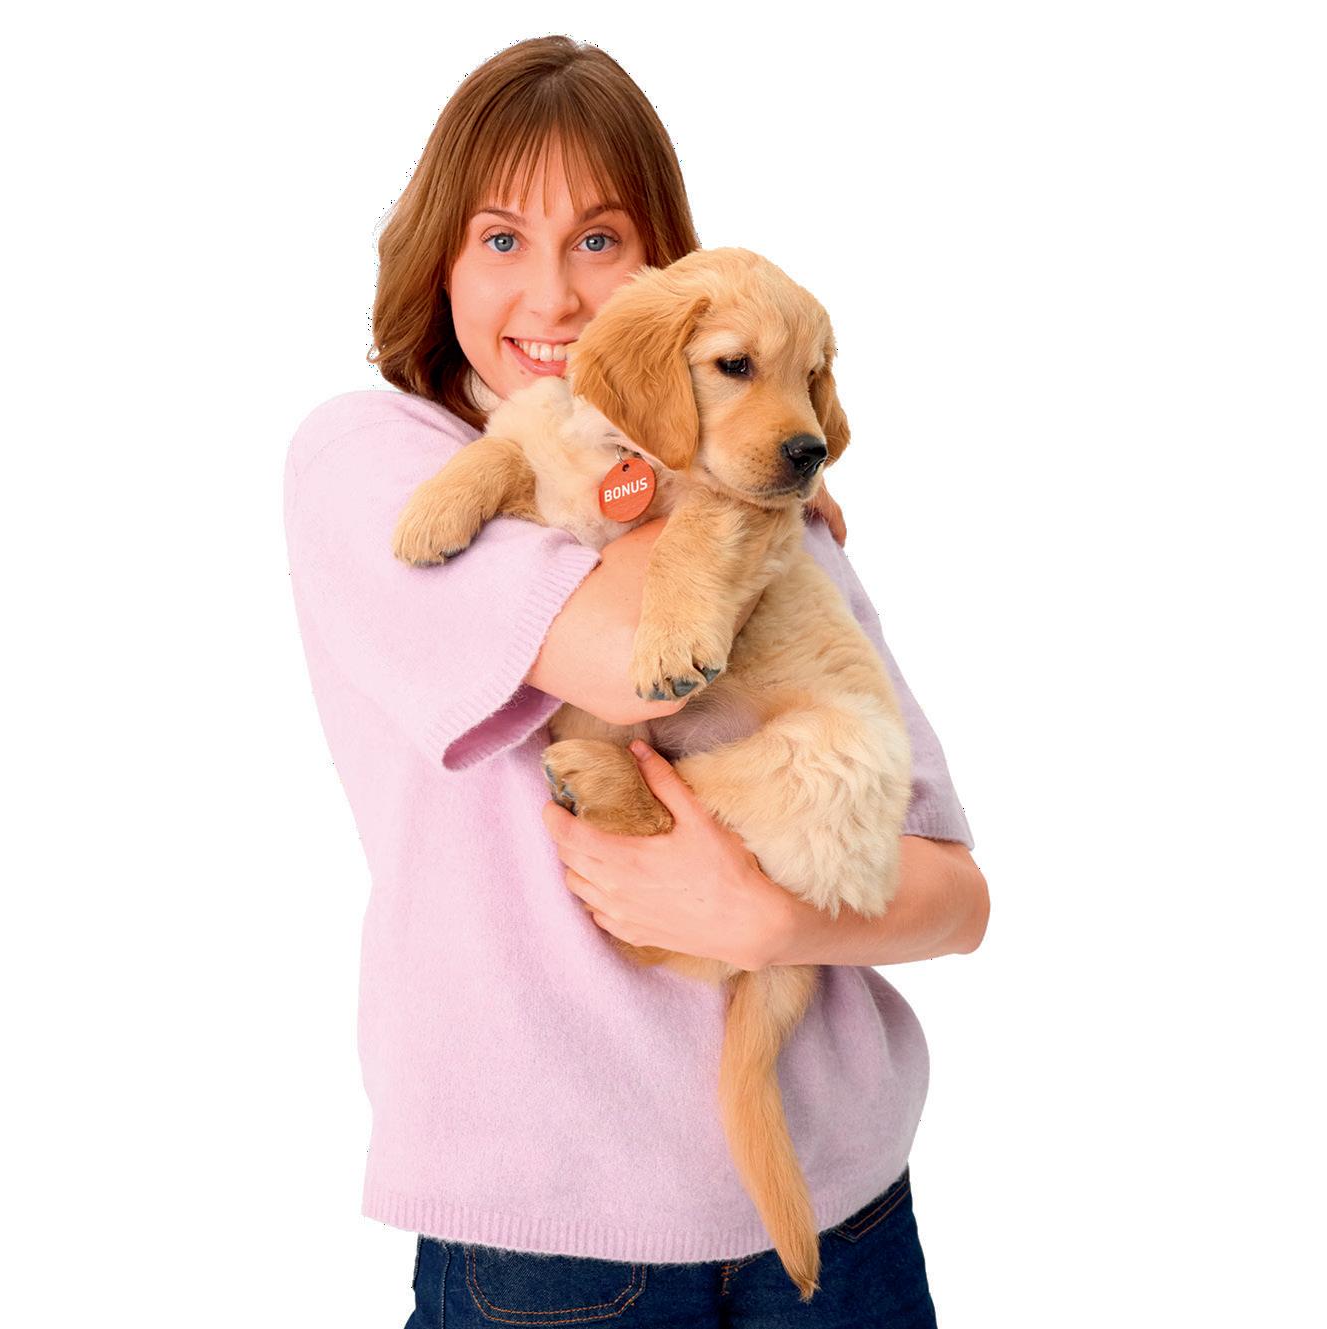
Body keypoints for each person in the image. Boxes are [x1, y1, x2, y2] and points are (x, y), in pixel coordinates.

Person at [282, 36, 986, 1328]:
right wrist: (742, 488)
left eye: (600, 240)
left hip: (839, 1201)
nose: (554, 296)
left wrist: (770, 921)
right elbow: (637, 661)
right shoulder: (368, 461)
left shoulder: (767, 477)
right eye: (501, 239)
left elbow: (953, 893)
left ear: (663, 268)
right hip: (551, 1240)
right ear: (439, 260)